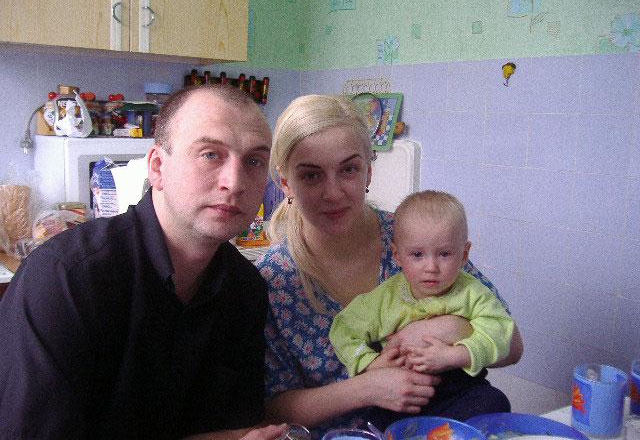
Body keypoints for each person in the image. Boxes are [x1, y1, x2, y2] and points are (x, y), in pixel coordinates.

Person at [0, 85, 288, 440]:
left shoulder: (245, 289)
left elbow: (233, 428)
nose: (235, 182)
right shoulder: (65, 279)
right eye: (210, 154)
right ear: (157, 167)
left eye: (254, 161)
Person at [257, 94, 524, 436]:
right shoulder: (273, 280)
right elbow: (270, 410)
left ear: (368, 171)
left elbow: (513, 346)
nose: (333, 193)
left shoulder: (414, 237)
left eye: (349, 169)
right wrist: (366, 387)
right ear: (285, 183)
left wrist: (451, 330)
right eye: (311, 176)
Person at [329, 190, 515, 425]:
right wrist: (370, 363)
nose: (431, 267)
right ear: (397, 255)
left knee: (495, 402)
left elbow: (502, 332)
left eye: (444, 254)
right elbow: (343, 329)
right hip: (400, 396)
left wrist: (455, 355)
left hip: (461, 391)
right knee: (373, 423)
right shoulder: (385, 298)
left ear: (464, 254)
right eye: (417, 255)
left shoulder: (473, 293)